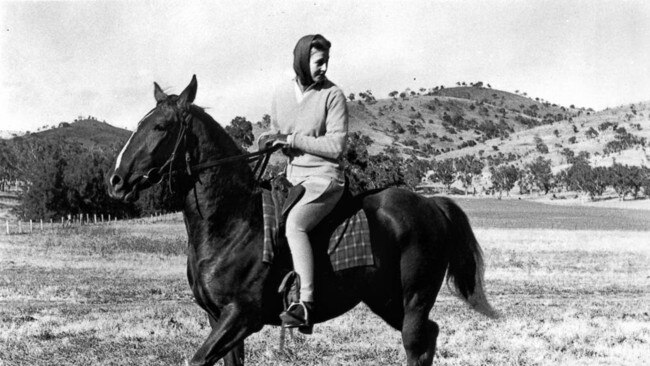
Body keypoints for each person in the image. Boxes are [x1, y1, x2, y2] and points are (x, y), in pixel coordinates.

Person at [258, 34, 348, 329]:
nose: (324, 68)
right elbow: (277, 134)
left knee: (295, 224)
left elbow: (336, 147)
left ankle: (306, 305)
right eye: (319, 62)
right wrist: (269, 142)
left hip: (324, 178)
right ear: (301, 61)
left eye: (326, 62)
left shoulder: (333, 95)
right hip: (292, 179)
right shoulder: (280, 94)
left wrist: (292, 139)